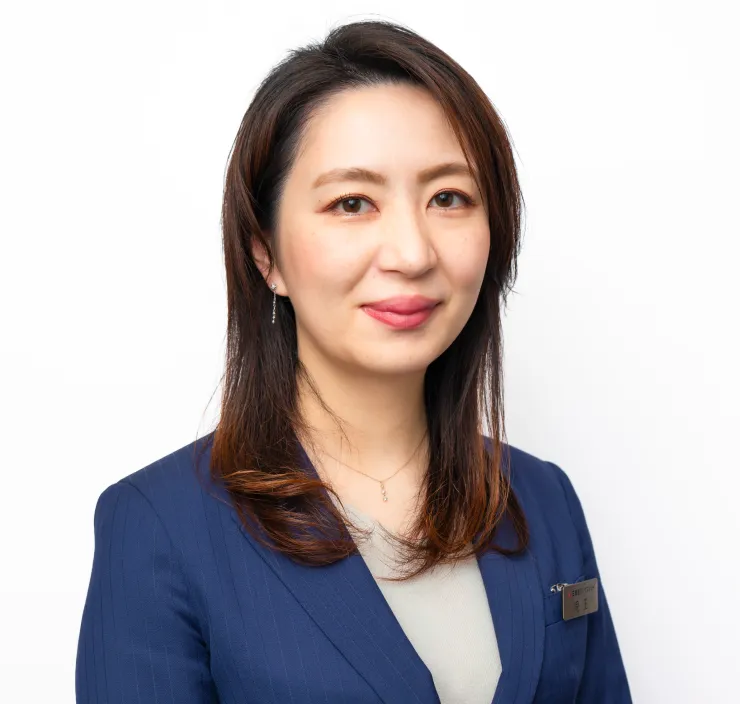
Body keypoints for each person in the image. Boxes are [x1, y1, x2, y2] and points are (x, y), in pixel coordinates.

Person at [75, 19, 632, 704]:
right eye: (352, 203)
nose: (412, 253)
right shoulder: (159, 527)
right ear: (265, 253)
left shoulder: (543, 499)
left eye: (448, 198)